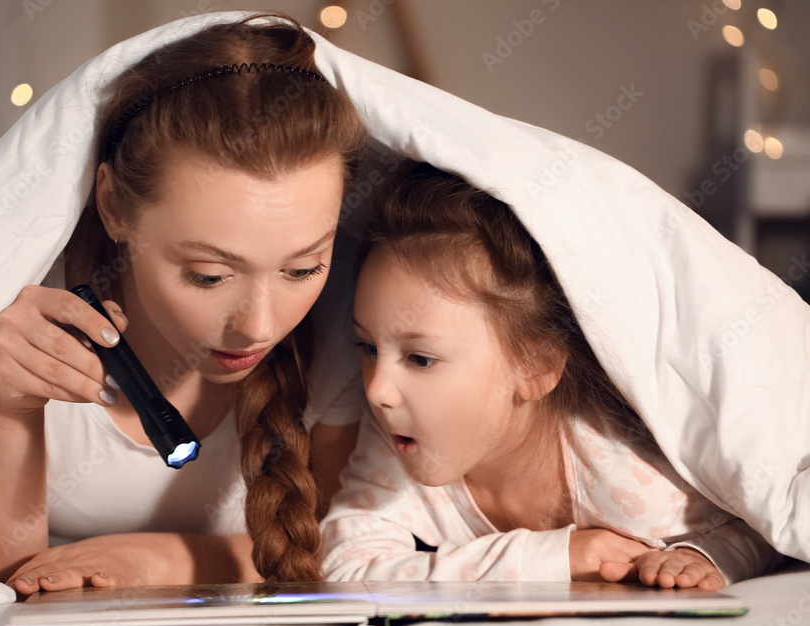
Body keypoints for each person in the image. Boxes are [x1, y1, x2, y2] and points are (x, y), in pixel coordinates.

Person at [0, 14, 368, 593]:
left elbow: (343, 542)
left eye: (302, 268)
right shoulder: (1, 302)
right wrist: (11, 410)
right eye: (208, 274)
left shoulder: (351, 317)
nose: (260, 325)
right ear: (114, 207)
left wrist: (153, 562)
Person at [320, 162, 783, 589]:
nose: (377, 389)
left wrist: (706, 555)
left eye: (420, 359)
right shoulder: (398, 438)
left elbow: (762, 519)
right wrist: (555, 558)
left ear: (537, 367)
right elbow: (344, 565)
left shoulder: (636, 480)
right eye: (368, 347)